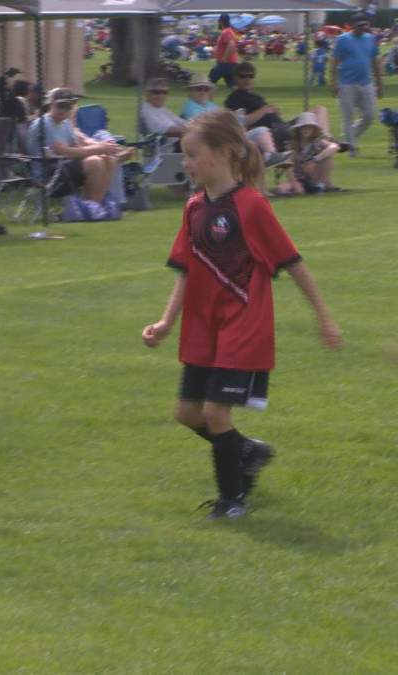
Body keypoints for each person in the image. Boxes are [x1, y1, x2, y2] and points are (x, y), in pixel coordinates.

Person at [141, 109, 342, 519]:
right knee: (186, 413)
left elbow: (294, 264)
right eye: (185, 156)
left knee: (216, 412)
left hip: (241, 326)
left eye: (194, 155)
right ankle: (248, 452)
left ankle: (231, 500)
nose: (188, 164)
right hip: (202, 328)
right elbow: (185, 269)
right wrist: (166, 322)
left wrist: (324, 318)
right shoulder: (194, 207)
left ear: (225, 153)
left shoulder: (251, 206)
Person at [26, 88, 131, 205]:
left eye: (68, 107)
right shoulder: (44, 123)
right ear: (51, 104)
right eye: (60, 105)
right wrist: (100, 149)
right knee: (94, 162)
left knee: (109, 159)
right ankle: (92, 206)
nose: (63, 110)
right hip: (48, 173)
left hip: (63, 167)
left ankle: (95, 206)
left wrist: (107, 151)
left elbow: (78, 146)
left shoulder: (65, 123)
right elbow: (65, 151)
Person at [331, 14, 383, 157]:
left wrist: (379, 83)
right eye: (360, 25)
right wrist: (333, 82)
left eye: (365, 25)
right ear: (353, 25)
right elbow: (335, 61)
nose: (363, 28)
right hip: (346, 83)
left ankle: (348, 137)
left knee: (370, 115)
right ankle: (352, 147)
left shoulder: (370, 39)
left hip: (366, 83)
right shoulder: (343, 39)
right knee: (348, 116)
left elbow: (374, 61)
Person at [273, 112, 342, 196]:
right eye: (303, 127)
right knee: (281, 189)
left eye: (309, 127)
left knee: (328, 159)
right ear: (299, 129)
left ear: (313, 129)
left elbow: (334, 147)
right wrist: (294, 182)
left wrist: (315, 159)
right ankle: (298, 189)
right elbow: (287, 164)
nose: (306, 130)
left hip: (313, 177)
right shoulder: (292, 144)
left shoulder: (316, 141)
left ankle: (320, 186)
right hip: (299, 178)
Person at [209, 13, 240, 89]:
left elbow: (231, 44)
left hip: (225, 64)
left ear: (220, 21)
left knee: (208, 82)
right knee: (233, 86)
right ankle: (240, 98)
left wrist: (224, 58)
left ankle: (204, 98)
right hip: (231, 63)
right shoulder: (230, 31)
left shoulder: (226, 32)